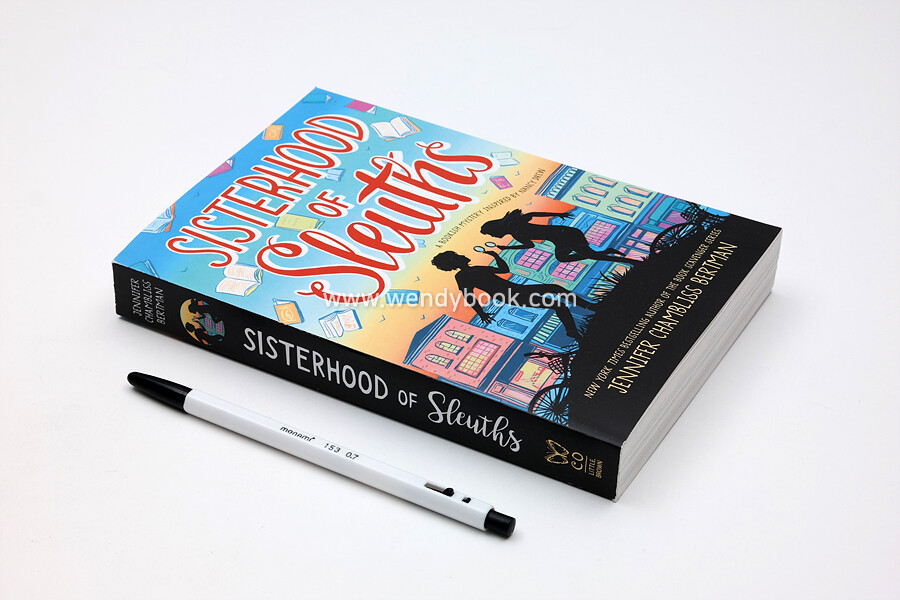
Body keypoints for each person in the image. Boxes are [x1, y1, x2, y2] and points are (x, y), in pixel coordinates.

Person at [432, 249, 596, 339]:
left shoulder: (477, 268)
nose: (461, 254)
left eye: (457, 253)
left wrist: (495, 255)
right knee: (556, 303)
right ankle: (573, 329)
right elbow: (469, 296)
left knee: (555, 290)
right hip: (509, 295)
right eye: (456, 256)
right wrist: (481, 313)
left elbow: (504, 270)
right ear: (453, 263)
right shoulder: (462, 276)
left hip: (516, 289)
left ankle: (587, 310)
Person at [480, 209, 640, 265]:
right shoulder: (516, 232)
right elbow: (530, 244)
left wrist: (558, 213)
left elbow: (533, 214)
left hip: (566, 235)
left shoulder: (516, 229)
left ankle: (629, 261)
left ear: (495, 228)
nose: (494, 236)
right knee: (563, 258)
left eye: (491, 233)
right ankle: (608, 252)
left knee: (592, 256)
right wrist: (507, 247)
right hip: (561, 238)